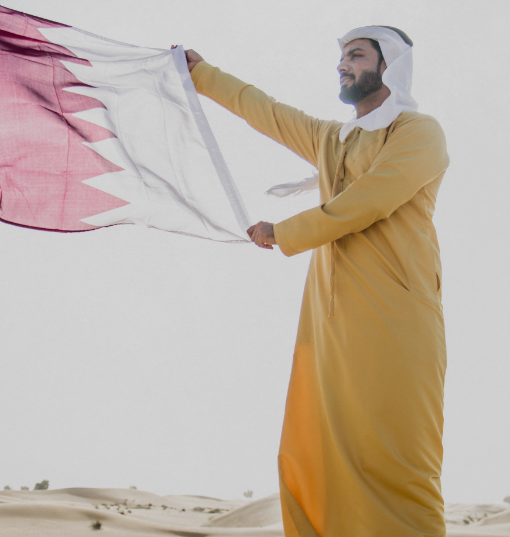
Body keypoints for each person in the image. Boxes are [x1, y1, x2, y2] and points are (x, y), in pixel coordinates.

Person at [185, 26, 450, 537]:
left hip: (397, 322)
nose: (343, 65)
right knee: (316, 455)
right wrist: (202, 74)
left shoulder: (419, 132)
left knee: (398, 459)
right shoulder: (333, 140)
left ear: (390, 66)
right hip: (330, 326)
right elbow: (268, 111)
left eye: (356, 54)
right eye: (341, 57)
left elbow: (369, 199)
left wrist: (285, 231)